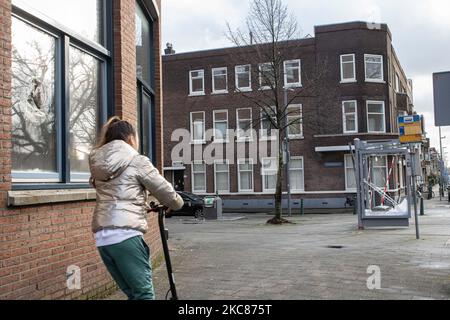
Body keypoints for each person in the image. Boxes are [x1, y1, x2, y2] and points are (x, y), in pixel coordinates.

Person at [89, 117, 184, 300]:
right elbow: (165, 192)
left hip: (103, 238)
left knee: (133, 293)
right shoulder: (137, 160)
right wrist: (178, 203)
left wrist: (143, 205)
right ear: (131, 138)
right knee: (143, 294)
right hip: (126, 235)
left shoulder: (97, 163)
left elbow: (117, 193)